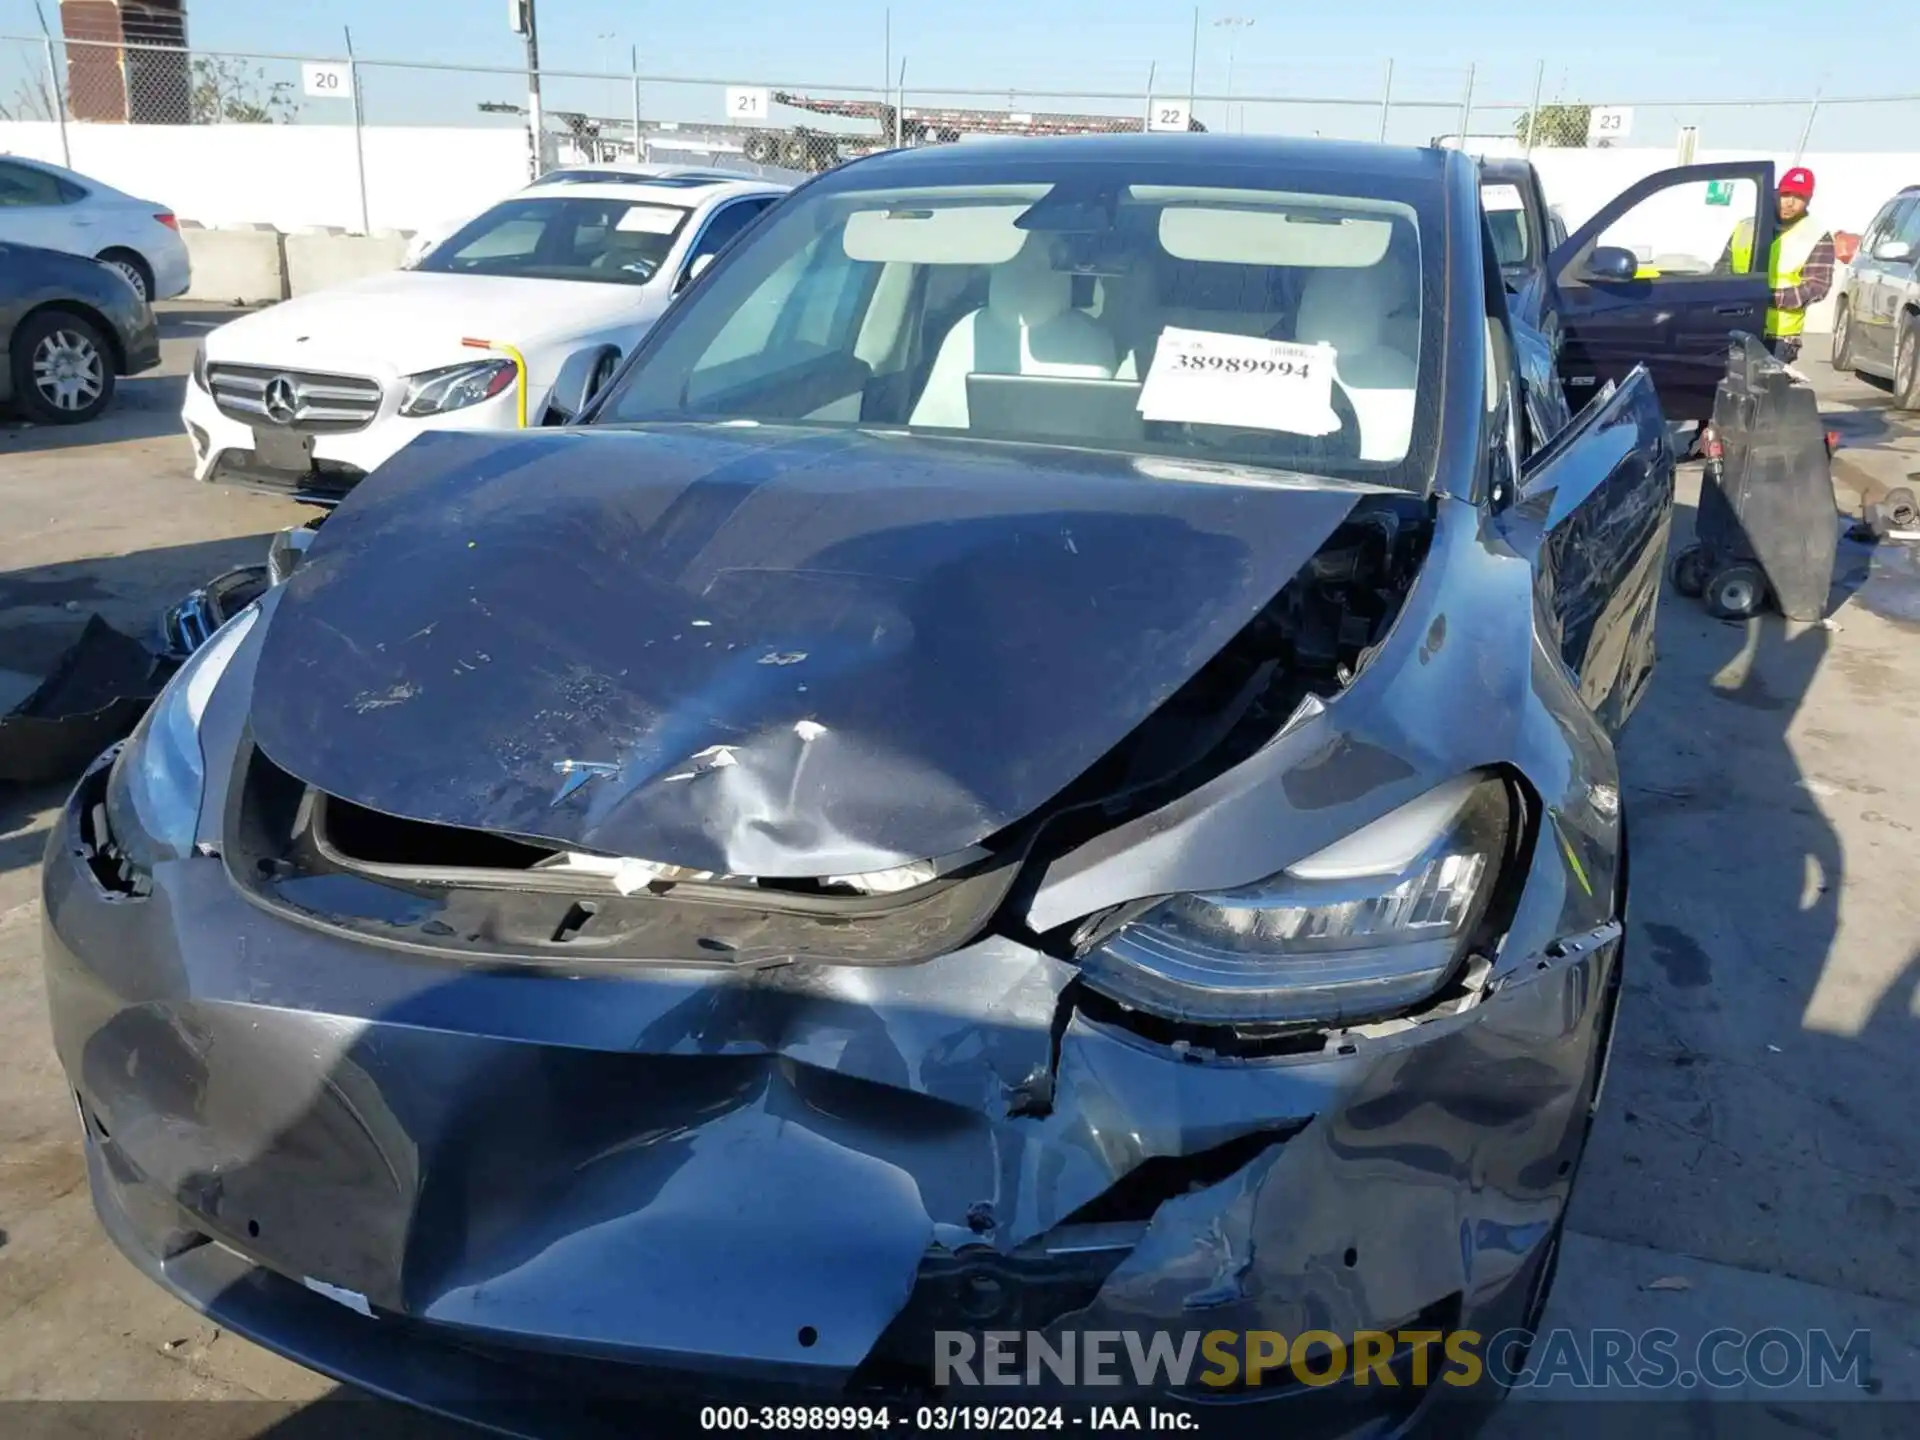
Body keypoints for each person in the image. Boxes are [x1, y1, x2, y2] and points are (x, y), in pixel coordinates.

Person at [1718, 167, 1834, 363]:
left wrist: (1766, 297)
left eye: (1799, 197)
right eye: (1786, 194)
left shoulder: (1817, 236)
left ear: (1808, 201)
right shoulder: (1746, 227)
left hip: (1779, 337)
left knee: (1766, 391)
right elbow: (1723, 267)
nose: (1790, 202)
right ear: (1776, 193)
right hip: (1737, 327)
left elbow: (1816, 287)